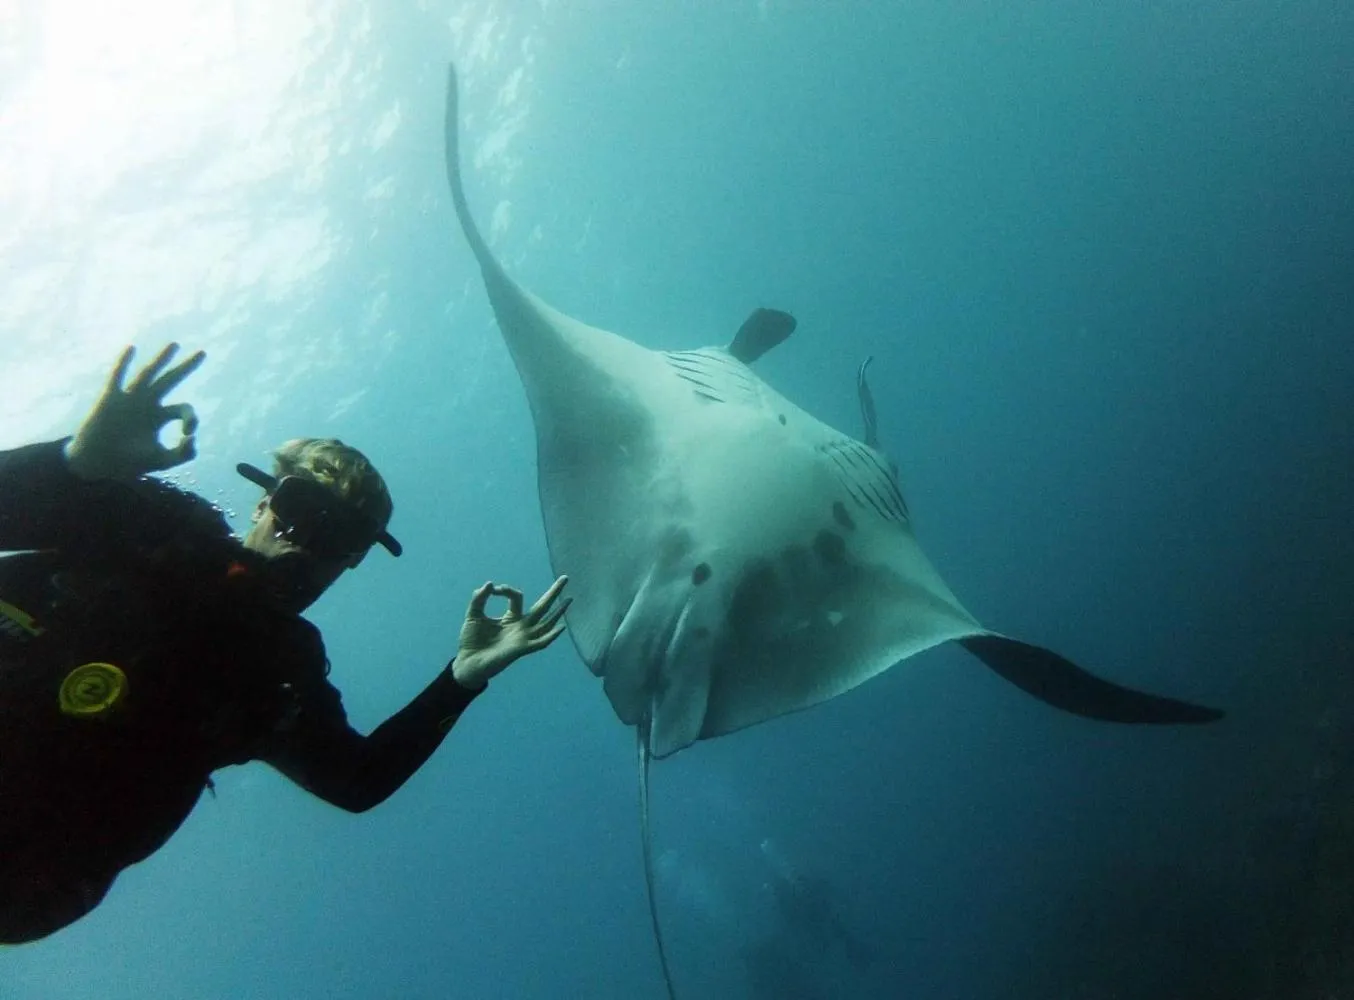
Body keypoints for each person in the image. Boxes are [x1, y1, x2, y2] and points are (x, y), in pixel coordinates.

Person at [0, 342, 570, 944]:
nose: (305, 543)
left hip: (28, 885)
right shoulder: (147, 526)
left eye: (339, 536)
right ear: (264, 499)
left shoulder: (278, 668)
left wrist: (462, 677)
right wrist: (74, 463)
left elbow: (357, 781)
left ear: (351, 562)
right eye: (300, 509)